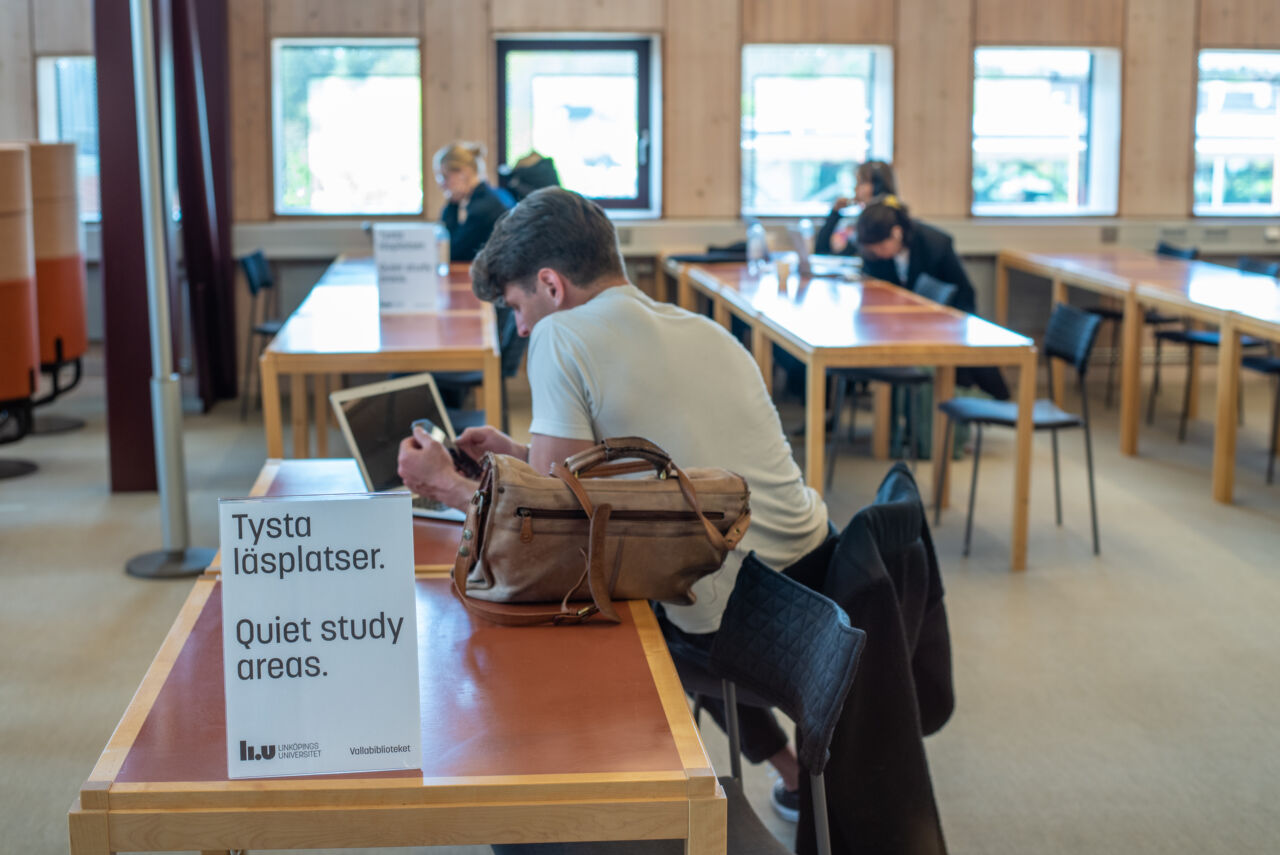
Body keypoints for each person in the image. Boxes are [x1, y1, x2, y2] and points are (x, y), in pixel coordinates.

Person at [397, 187, 831, 822]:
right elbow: (620, 465)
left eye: (517, 307)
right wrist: (515, 452)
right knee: (657, 573)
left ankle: (610, 804)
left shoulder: (561, 336)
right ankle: (794, 776)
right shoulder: (699, 326)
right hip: (814, 584)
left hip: (729, 614)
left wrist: (447, 486)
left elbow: (547, 537)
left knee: (594, 611)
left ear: (550, 284)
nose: (519, 328)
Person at [857, 194, 1009, 400]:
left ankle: (994, 395)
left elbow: (963, 293)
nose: (879, 254)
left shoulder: (935, 245)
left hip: (940, 323)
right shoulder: (875, 252)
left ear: (897, 233)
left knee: (972, 358)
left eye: (882, 248)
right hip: (897, 326)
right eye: (873, 250)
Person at [434, 142, 515, 262]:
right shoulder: (496, 195)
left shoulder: (484, 208)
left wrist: (452, 205)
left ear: (463, 173)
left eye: (445, 177)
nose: (442, 185)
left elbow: (451, 254)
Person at [814, 160, 897, 256]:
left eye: (860, 183)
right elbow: (822, 252)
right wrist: (835, 212)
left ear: (878, 186)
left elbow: (823, 252)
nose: (855, 188)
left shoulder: (882, 221)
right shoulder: (865, 219)